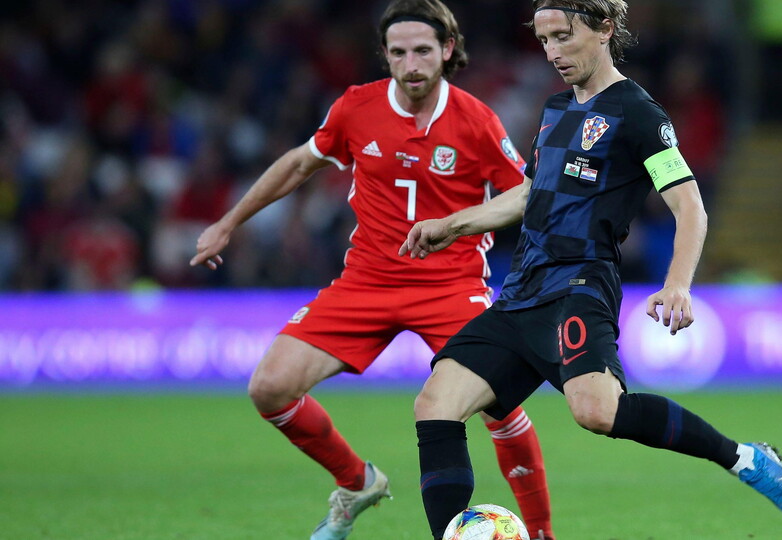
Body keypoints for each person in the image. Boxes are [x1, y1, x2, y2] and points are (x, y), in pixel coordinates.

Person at [400, 1, 782, 538]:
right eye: (544, 40)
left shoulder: (640, 115)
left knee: (596, 412)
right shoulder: (553, 110)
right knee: (435, 404)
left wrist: (677, 284)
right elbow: (530, 193)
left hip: (579, 284)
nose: (553, 52)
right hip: (522, 291)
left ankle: (746, 459)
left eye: (564, 37)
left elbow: (690, 207)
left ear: (604, 30)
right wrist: (454, 223)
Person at [190, 1, 554, 539]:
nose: (411, 64)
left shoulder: (477, 119)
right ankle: (358, 482)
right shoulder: (356, 108)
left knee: (499, 404)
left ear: (447, 51)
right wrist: (228, 222)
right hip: (367, 281)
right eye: (399, 52)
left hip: (451, 286)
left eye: (423, 51)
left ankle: (543, 533)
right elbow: (298, 163)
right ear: (385, 55)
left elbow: (527, 192)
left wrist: (460, 225)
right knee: (270, 387)